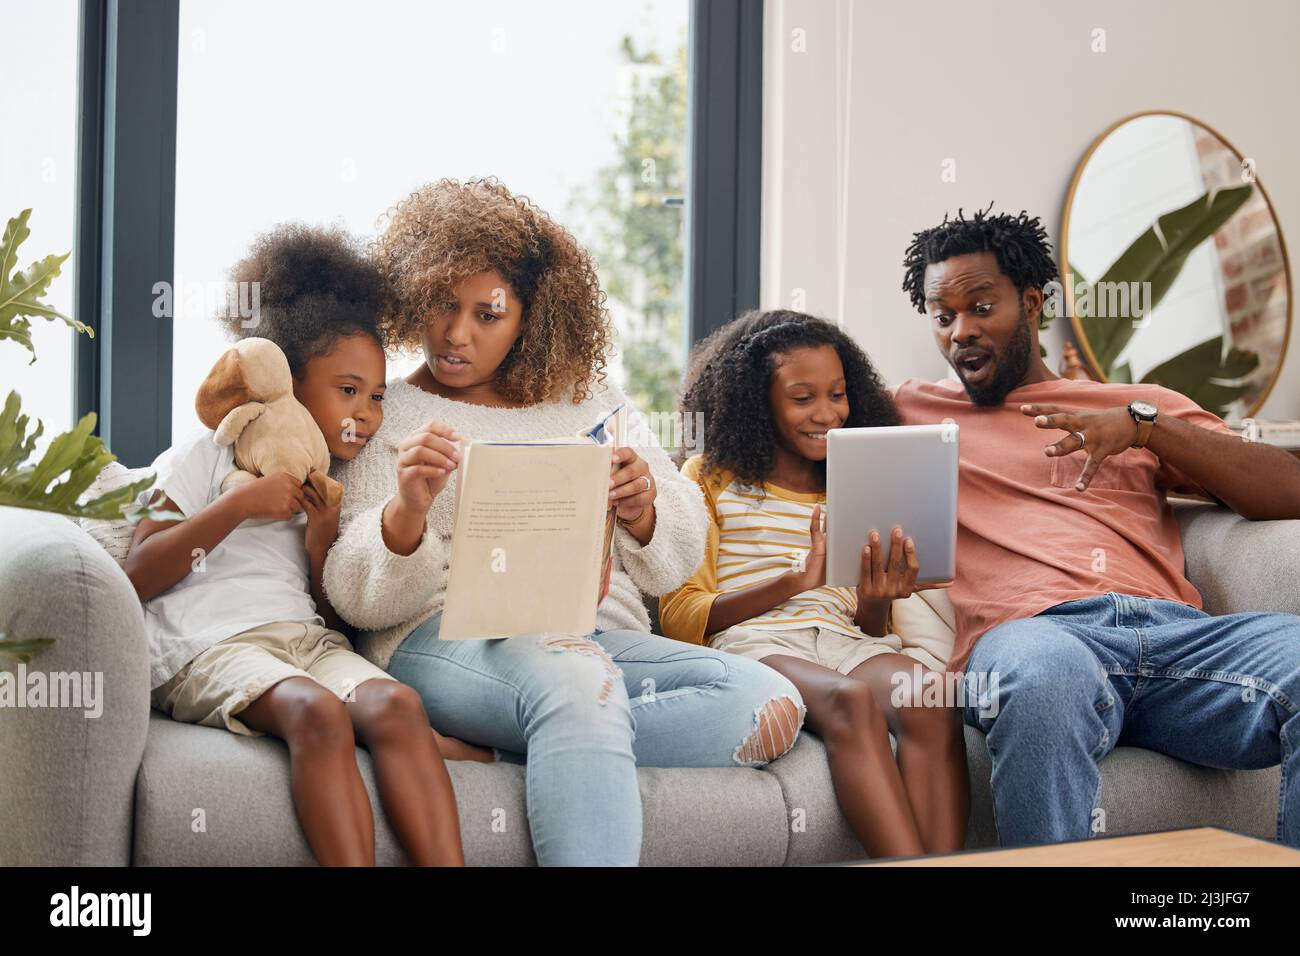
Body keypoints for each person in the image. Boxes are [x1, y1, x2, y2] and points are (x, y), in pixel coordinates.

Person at [321, 178, 805, 866]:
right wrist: (408, 511)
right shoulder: (388, 411)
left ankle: (533, 739)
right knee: (576, 679)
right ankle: (563, 720)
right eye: (442, 305)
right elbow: (356, 597)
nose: (456, 334)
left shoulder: (594, 402)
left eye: (487, 314)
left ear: (531, 316)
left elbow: (675, 559)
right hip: (445, 636)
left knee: (767, 703)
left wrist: (642, 511)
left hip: (595, 637)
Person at [894, 204, 1300, 847]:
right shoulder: (909, 413)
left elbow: (1289, 492)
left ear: (1031, 303)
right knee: (1046, 676)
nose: (960, 333)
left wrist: (1147, 428)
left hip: (1178, 643)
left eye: (981, 307)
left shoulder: (1141, 409)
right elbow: (783, 401)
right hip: (1036, 639)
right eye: (942, 317)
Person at [125, 224, 464, 866]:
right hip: (207, 645)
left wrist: (319, 545)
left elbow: (330, 621)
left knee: (396, 704)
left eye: (376, 397)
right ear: (285, 381)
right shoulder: (204, 454)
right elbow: (139, 574)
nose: (365, 413)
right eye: (347, 390)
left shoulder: (331, 486)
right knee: (318, 713)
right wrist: (238, 505)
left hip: (302, 639)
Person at [660, 309, 967, 857]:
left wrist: (875, 602)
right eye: (803, 399)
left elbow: (867, 625)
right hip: (757, 644)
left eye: (838, 394)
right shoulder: (710, 477)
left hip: (843, 640)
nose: (827, 414)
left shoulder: (856, 482)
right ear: (760, 404)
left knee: (930, 696)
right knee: (850, 702)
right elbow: (681, 616)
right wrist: (795, 580)